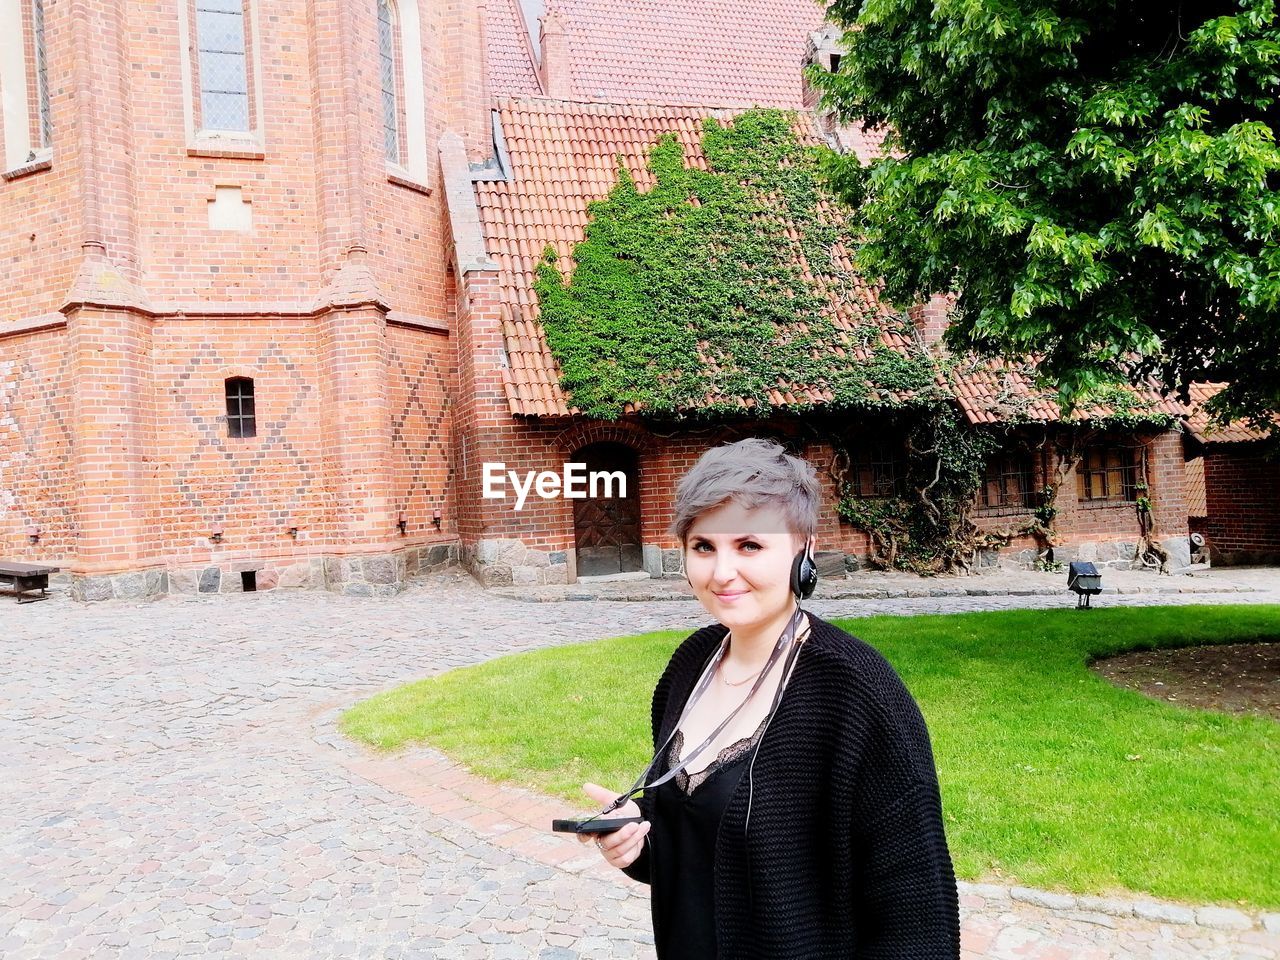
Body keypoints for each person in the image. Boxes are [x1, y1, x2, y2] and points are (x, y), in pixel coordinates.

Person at [577, 437, 961, 958]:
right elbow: (700, 843)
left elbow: (917, 917)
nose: (721, 573)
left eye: (749, 546)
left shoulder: (855, 691)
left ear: (801, 546)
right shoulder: (690, 665)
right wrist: (637, 845)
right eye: (703, 546)